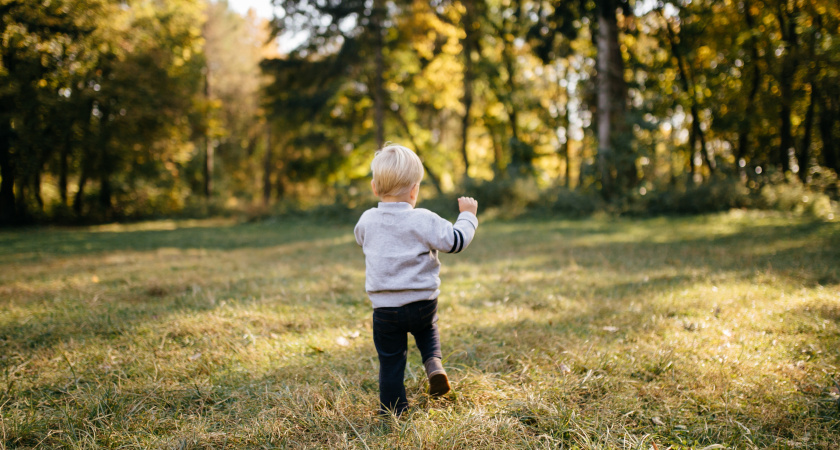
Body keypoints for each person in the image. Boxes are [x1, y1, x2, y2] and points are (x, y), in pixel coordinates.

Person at [354, 144, 479, 416]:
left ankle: (393, 411)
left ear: (375, 188)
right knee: (427, 329)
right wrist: (468, 216)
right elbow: (456, 242)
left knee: (390, 361)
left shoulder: (367, 220)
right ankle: (434, 363)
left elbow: (359, 238)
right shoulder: (423, 219)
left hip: (385, 310)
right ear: (415, 190)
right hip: (422, 303)